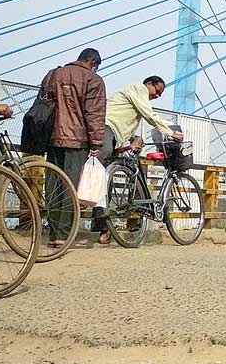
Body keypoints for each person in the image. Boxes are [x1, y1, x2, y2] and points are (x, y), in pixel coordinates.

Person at [92, 75, 181, 244]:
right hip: (106, 132)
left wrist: (133, 137)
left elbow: (124, 119)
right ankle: (97, 226)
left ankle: (104, 229)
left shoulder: (135, 97)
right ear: (149, 84)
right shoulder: (138, 89)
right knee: (100, 180)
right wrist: (171, 133)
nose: (157, 96)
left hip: (112, 136)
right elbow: (150, 115)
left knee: (106, 182)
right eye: (157, 91)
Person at [42, 48, 106, 248]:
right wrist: (96, 142)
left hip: (51, 138)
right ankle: (63, 235)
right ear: (93, 63)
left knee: (52, 185)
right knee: (70, 187)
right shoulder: (93, 80)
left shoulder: (53, 74)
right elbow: (93, 114)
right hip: (76, 141)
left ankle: (52, 233)